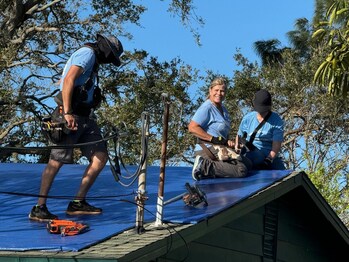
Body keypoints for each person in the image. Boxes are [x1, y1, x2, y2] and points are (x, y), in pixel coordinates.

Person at [29, 34, 123, 221]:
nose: (109, 61)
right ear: (105, 49)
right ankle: (39, 207)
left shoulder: (93, 60)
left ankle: (77, 202)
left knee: (100, 157)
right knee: (57, 160)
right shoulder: (87, 54)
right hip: (70, 114)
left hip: (86, 116)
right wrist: (67, 113)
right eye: (110, 56)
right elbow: (69, 80)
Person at [188, 77, 252, 181]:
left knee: (248, 164)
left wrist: (231, 143)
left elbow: (222, 135)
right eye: (216, 90)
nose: (219, 93)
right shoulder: (207, 108)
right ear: (210, 90)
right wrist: (212, 139)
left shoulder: (224, 110)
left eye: (222, 91)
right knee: (241, 170)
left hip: (220, 148)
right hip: (207, 148)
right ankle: (204, 165)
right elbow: (192, 127)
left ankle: (216, 167)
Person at [235, 89, 285, 170]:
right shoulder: (248, 118)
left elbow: (276, 144)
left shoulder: (276, 120)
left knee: (283, 172)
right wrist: (237, 147)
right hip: (252, 153)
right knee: (256, 158)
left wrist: (269, 159)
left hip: (269, 154)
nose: (261, 112)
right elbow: (239, 135)